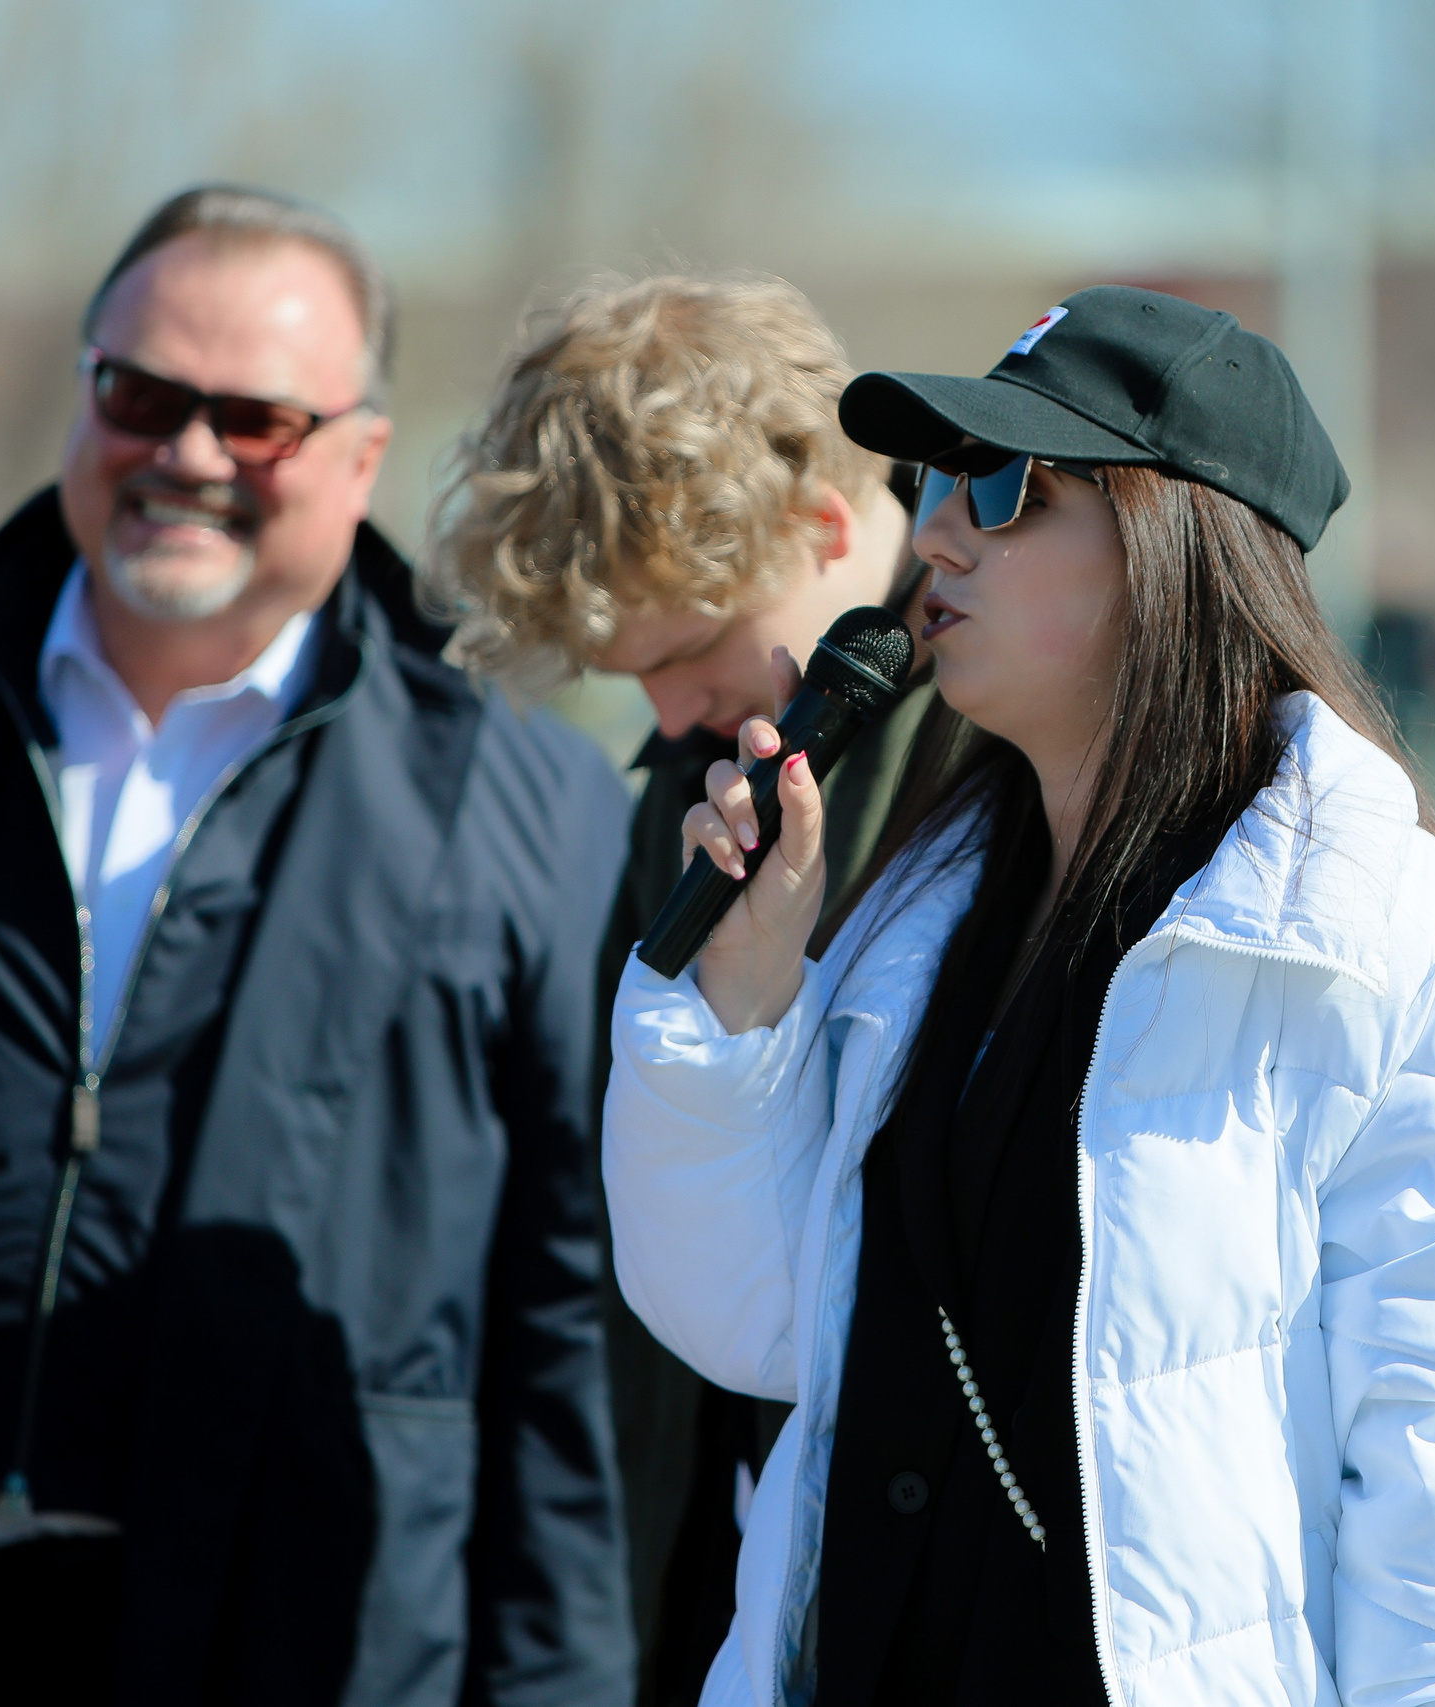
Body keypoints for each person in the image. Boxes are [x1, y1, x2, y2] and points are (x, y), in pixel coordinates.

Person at [603, 287, 1435, 1704]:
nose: (940, 530)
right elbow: (746, 1320)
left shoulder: (1399, 961)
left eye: (1003, 484)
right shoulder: (917, 918)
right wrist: (741, 992)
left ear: (1175, 541)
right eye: (934, 482)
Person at [0, 186, 633, 1707]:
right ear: (85, 397)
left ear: (361, 454)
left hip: (300, 1641)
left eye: (255, 418)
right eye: (141, 397)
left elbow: (566, 1327)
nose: (186, 456)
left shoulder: (523, 809)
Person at [427, 273, 932, 1705]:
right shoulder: (699, 772)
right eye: (622, 677)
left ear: (827, 525)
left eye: (689, 657)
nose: (660, 719)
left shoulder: (1016, 754)